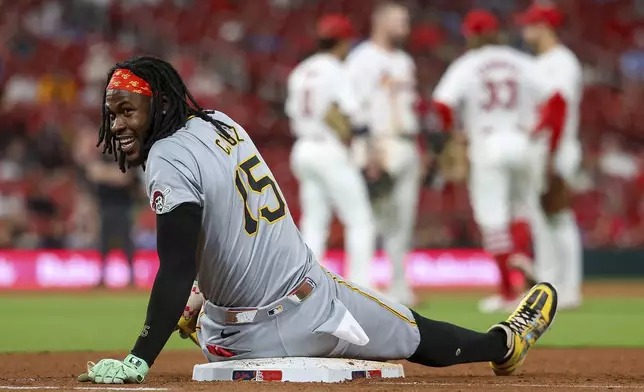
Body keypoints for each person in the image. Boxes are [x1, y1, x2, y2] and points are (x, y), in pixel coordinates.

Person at [78, 55, 557, 385]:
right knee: (417, 334)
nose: (117, 123)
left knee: (405, 328)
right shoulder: (220, 122)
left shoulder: (164, 157)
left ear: (159, 105)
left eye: (126, 111)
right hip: (311, 309)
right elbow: (246, 222)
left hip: (226, 339)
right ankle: (504, 344)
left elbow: (183, 260)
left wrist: (142, 355)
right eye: (112, 113)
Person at [431, 10, 567, 313]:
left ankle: (507, 290)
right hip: (522, 143)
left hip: (487, 144)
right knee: (521, 209)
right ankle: (520, 253)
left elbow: (441, 103)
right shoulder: (520, 60)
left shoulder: (467, 64)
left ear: (471, 35)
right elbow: (557, 101)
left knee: (492, 218)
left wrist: (453, 134)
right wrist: (542, 135)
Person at [285, 15, 376, 291]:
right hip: (329, 148)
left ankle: (307, 285)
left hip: (303, 148)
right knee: (360, 220)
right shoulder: (337, 69)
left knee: (315, 221)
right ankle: (360, 285)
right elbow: (355, 116)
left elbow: (291, 112)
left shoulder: (301, 71)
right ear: (343, 42)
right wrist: (367, 148)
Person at [344, 2, 420, 306]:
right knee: (369, 219)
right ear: (380, 21)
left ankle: (400, 287)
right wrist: (369, 152)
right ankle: (358, 286)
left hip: (406, 143)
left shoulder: (404, 60)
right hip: (378, 144)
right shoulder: (362, 59)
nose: (405, 25)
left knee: (402, 222)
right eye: (398, 20)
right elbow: (355, 108)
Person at [516, 3, 584, 310]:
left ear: (544, 26)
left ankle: (567, 288)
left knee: (558, 217)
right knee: (542, 219)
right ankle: (551, 285)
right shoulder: (540, 62)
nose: (524, 30)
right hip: (541, 149)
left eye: (530, 25)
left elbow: (559, 108)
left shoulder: (562, 62)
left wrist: (553, 155)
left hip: (556, 147)